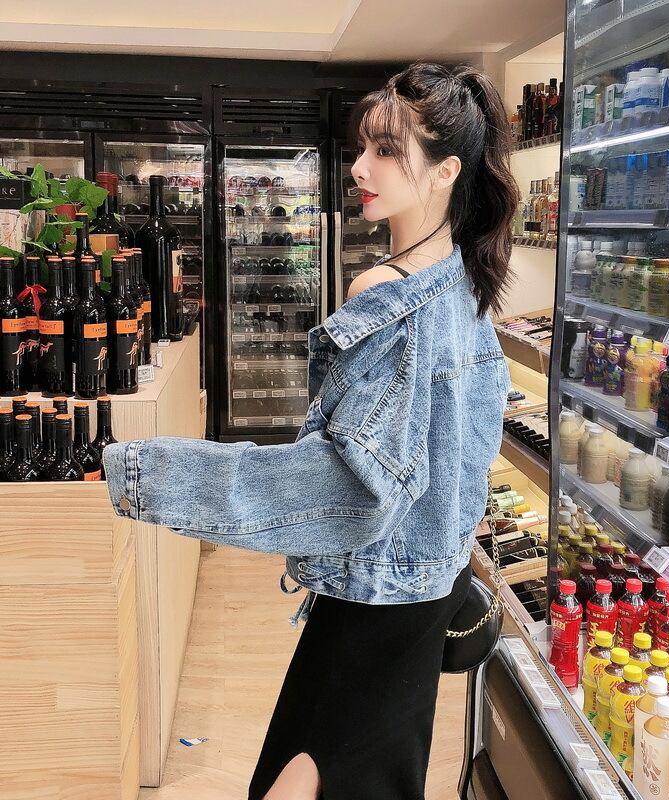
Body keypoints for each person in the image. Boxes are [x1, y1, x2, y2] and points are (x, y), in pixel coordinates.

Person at [102, 61, 519, 800]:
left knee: (308, 775)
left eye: (386, 150)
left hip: (375, 601)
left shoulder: (389, 293)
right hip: (426, 587)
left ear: (446, 170)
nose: (360, 167)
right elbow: (462, 459)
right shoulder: (465, 283)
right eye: (362, 147)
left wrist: (143, 473)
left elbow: (345, 485)